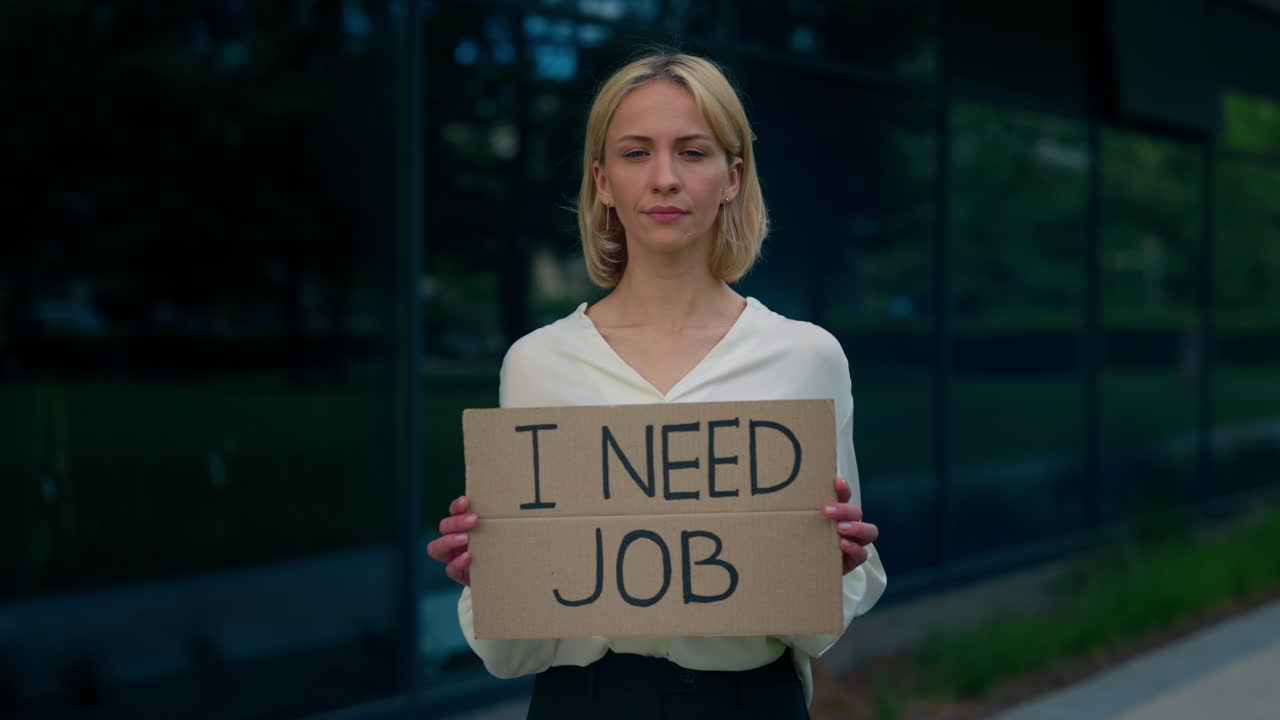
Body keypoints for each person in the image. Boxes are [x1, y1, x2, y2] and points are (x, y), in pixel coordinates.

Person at [426, 51, 886, 719]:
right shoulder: (537, 364)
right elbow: (513, 652)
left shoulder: (808, 357)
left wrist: (829, 569)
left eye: (692, 152)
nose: (664, 179)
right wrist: (492, 578)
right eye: (636, 153)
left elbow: (820, 625)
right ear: (603, 180)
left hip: (749, 702)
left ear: (732, 176)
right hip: (584, 702)